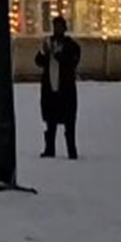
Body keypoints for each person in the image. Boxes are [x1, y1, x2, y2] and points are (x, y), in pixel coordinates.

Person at [35, 16, 81, 159]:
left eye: (60, 27)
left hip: (65, 90)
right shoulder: (48, 43)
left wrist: (57, 54)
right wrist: (44, 52)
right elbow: (38, 61)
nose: (57, 30)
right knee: (50, 121)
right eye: (55, 27)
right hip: (50, 88)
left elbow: (72, 62)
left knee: (69, 122)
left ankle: (71, 151)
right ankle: (49, 149)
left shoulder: (71, 45)